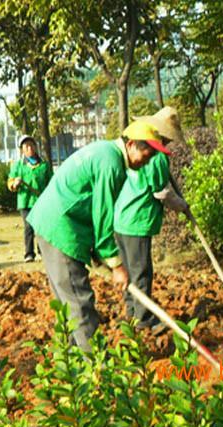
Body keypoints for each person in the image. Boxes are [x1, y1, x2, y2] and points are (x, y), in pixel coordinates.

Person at [27, 121, 173, 351]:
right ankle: (97, 371)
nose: (149, 158)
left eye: (154, 153)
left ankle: (72, 361)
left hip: (52, 222)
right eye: (147, 152)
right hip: (62, 227)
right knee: (79, 302)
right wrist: (115, 264)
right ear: (132, 144)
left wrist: (95, 250)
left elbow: (90, 205)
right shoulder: (112, 164)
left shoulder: (105, 151)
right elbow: (103, 216)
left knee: (66, 303)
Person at [113, 107, 189, 335]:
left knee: (129, 271)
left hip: (120, 218)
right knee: (141, 273)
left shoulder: (140, 149)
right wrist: (182, 206)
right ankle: (145, 320)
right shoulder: (157, 157)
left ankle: (131, 313)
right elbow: (161, 192)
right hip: (137, 221)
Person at [7, 135, 53, 262]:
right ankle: (29, 253)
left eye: (31, 145)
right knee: (29, 227)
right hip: (25, 202)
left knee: (41, 228)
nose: (29, 148)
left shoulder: (44, 165)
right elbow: (10, 182)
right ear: (22, 150)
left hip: (41, 202)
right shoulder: (18, 166)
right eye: (26, 146)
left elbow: (51, 182)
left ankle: (42, 251)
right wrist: (15, 184)